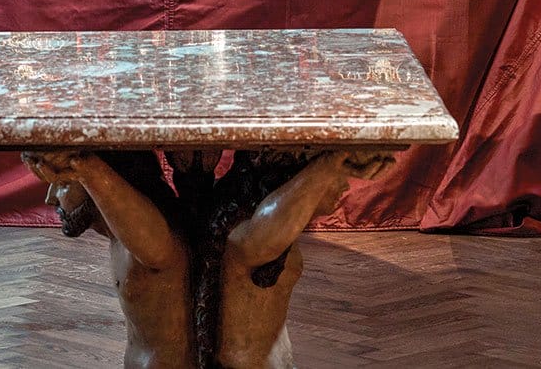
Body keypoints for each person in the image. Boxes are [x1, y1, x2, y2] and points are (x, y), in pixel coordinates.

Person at [209, 150, 396, 368]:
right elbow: (267, 228)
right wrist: (329, 163)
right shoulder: (246, 239)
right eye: (339, 177)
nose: (345, 186)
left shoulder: (273, 235)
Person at [27, 148, 194, 369]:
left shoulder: (152, 236)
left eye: (63, 185)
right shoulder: (120, 236)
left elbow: (158, 250)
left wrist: (84, 167)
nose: (50, 199)